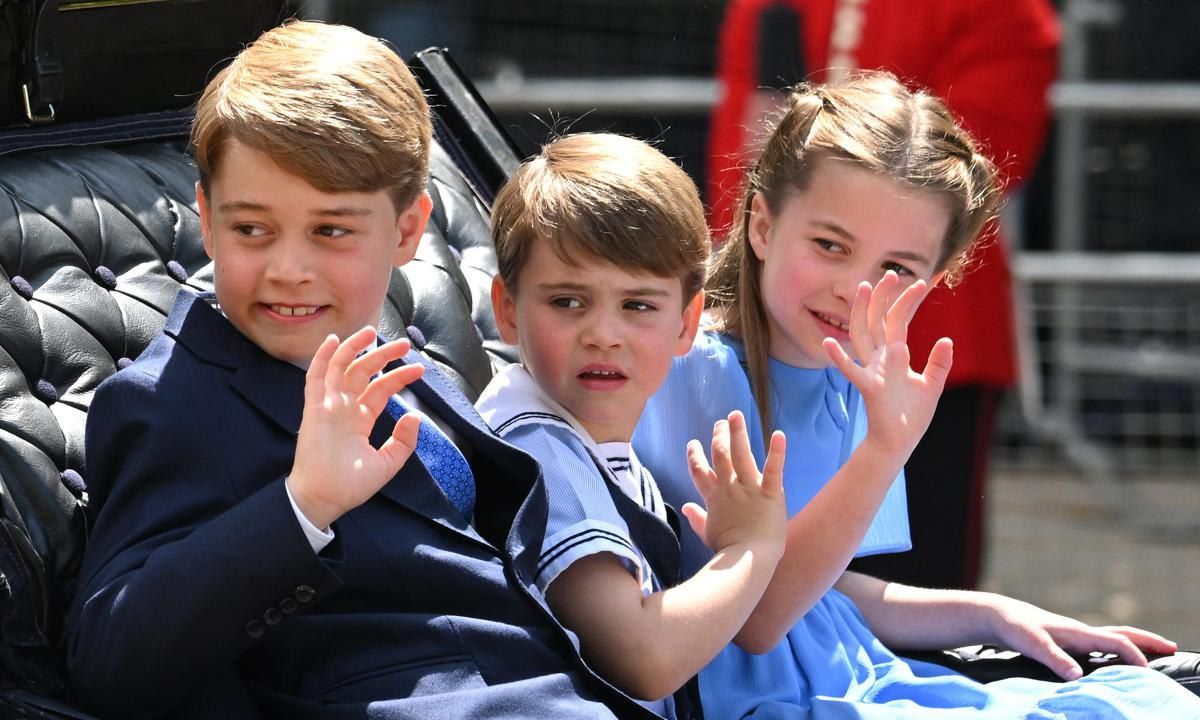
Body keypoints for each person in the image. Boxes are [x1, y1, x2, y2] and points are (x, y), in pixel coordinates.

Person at [64, 21, 663, 720]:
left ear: (408, 230)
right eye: (251, 229)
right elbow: (108, 653)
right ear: (206, 216)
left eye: (330, 230)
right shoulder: (173, 402)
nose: (288, 269)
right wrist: (303, 505)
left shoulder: (406, 370)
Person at [634, 71, 1200, 718]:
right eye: (829, 245)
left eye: (898, 268)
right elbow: (759, 620)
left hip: (861, 674)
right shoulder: (688, 370)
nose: (858, 289)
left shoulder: (853, 382)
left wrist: (991, 612)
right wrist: (883, 449)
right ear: (762, 226)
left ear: (937, 280)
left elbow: (832, 597)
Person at [706, 0, 1061, 590]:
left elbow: (975, 170)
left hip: (924, 338)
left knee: (920, 570)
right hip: (778, 320)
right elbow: (747, 155)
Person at [475, 132, 790, 718]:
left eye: (638, 305)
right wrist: (754, 547)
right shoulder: (538, 451)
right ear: (509, 308)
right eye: (568, 301)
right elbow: (645, 658)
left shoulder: (591, 439)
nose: (603, 333)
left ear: (686, 322)